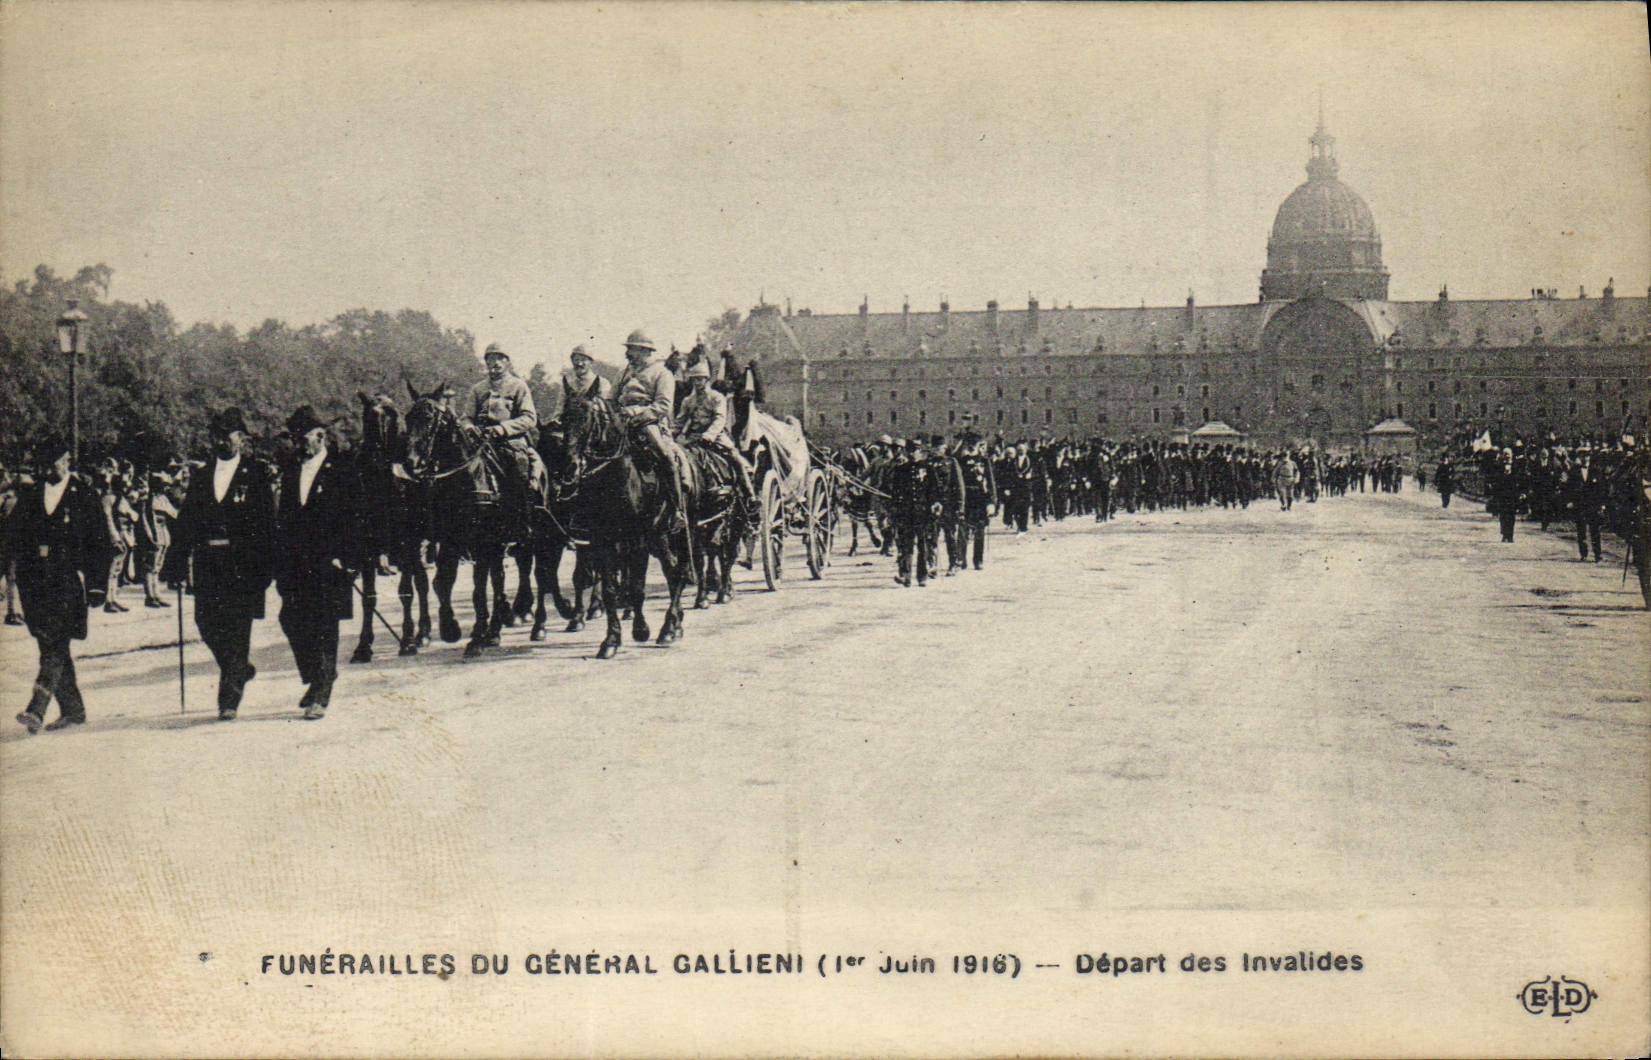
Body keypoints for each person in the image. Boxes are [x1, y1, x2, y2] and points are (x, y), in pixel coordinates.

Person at [161, 407, 276, 720]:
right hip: (209, 564)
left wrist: (266, 567)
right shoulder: (201, 476)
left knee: (238, 630)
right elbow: (186, 523)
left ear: (241, 438)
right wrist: (174, 563)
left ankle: (229, 700)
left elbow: (267, 523)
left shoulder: (256, 473)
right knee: (206, 622)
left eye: (228, 436)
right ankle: (239, 668)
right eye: (216, 436)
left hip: (243, 566)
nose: (221, 442)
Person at [10, 435, 110, 733]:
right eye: (58, 459)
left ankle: (36, 708)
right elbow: (10, 537)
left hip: (67, 580)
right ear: (45, 463)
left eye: (66, 459)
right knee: (51, 644)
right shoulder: (30, 496)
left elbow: (100, 541)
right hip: (35, 582)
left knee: (54, 644)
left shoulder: (83, 494)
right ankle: (73, 710)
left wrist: (97, 584)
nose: (65, 464)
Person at [275, 406, 357, 719]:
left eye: (303, 436)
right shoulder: (292, 470)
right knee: (291, 619)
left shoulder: (342, 468)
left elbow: (354, 515)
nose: (298, 443)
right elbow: (284, 517)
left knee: (325, 625)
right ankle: (318, 675)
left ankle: (321, 694)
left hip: (330, 561)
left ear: (320, 435)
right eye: (295, 437)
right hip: (296, 562)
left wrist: (348, 557)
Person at [463, 343, 546, 534]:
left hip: (510, 441)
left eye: (499, 358)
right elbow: (466, 416)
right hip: (480, 442)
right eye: (490, 359)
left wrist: (503, 428)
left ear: (507, 362)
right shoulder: (478, 389)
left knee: (518, 471)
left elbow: (529, 418)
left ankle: (521, 526)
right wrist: (469, 427)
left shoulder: (518, 386)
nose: (495, 363)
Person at [613, 329, 687, 527]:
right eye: (629, 349)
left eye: (633, 349)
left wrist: (637, 414)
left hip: (649, 423)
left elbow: (663, 406)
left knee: (666, 455)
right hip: (621, 421)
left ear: (646, 351)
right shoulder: (623, 373)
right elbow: (611, 399)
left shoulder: (662, 374)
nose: (628, 353)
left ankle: (677, 510)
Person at [675, 358, 756, 511]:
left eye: (700, 379)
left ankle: (750, 495)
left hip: (716, 436)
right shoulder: (688, 401)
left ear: (706, 379)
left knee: (734, 457)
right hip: (694, 437)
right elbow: (680, 421)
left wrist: (709, 435)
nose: (697, 383)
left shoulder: (716, 397)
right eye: (694, 380)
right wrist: (671, 435)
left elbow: (720, 419)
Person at [956, 429, 998, 570]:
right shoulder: (960, 462)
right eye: (970, 443)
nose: (972, 446)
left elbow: (991, 483)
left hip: (980, 499)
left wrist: (992, 502)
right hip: (966, 499)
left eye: (975, 443)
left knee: (980, 530)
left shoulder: (984, 461)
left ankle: (978, 560)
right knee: (962, 530)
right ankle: (961, 559)